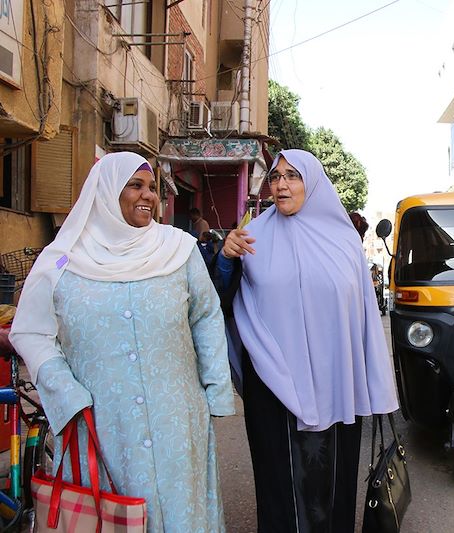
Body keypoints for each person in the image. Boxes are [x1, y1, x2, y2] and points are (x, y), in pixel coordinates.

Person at [10, 152, 235, 532]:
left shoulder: (177, 250)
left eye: (152, 188)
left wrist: (215, 391)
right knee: (113, 516)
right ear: (106, 191)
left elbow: (206, 316)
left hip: (177, 421)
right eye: (135, 185)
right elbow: (30, 331)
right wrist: (66, 392)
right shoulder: (61, 261)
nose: (148, 196)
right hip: (100, 421)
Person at [218, 149, 399, 532]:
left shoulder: (344, 242)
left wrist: (373, 380)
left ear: (313, 182)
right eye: (275, 176)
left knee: (331, 483)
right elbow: (219, 300)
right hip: (272, 385)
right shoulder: (251, 237)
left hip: (333, 383)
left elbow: (363, 315)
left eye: (293, 175)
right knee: (278, 486)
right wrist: (224, 259)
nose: (281, 184)